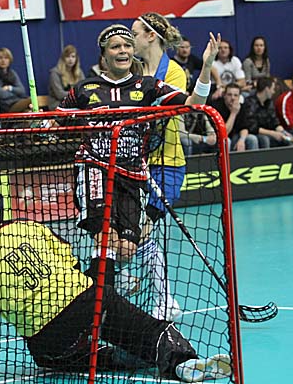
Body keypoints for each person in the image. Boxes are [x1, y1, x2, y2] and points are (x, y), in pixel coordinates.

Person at [0, 176, 231, 383]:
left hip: (48, 339)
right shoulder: (27, 226)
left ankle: (119, 357)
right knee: (152, 330)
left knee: (54, 359)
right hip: (89, 301)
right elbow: (70, 261)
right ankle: (182, 362)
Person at [57, 24, 219, 321]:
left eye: (127, 46)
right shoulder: (84, 89)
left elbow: (194, 104)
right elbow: (57, 121)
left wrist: (207, 66)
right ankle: (95, 316)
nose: (122, 51)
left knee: (127, 249)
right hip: (95, 170)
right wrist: (46, 123)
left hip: (132, 176)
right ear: (104, 55)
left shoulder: (148, 87)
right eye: (115, 47)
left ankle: (95, 295)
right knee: (106, 238)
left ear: (133, 51)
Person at [245, 77, 293, 148]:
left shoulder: (269, 103)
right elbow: (252, 127)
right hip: (255, 133)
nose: (273, 92)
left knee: (288, 139)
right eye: (273, 89)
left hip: (269, 132)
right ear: (267, 89)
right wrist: (273, 133)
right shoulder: (250, 103)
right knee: (264, 139)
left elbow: (274, 121)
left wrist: (284, 132)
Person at [212, 83, 259, 152]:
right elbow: (223, 134)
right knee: (226, 141)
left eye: (235, 95)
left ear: (239, 97)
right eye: (229, 95)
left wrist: (242, 140)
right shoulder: (216, 108)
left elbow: (244, 128)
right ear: (224, 95)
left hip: (235, 137)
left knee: (252, 139)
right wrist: (233, 113)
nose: (233, 98)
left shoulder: (242, 107)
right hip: (218, 138)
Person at [0, 47, 31, 113]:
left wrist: (9, 88)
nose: (3, 61)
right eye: (0, 58)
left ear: (10, 60)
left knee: (28, 112)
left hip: (18, 101)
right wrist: (16, 94)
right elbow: (1, 94)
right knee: (32, 100)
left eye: (6, 58)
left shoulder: (12, 73)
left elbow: (22, 91)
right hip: (5, 106)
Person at [48, 45, 85, 111]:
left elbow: (84, 89)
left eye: (73, 56)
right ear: (63, 58)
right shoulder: (55, 73)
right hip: (58, 105)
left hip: (74, 105)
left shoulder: (79, 72)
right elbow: (60, 94)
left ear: (76, 59)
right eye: (67, 56)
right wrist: (76, 94)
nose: (70, 59)